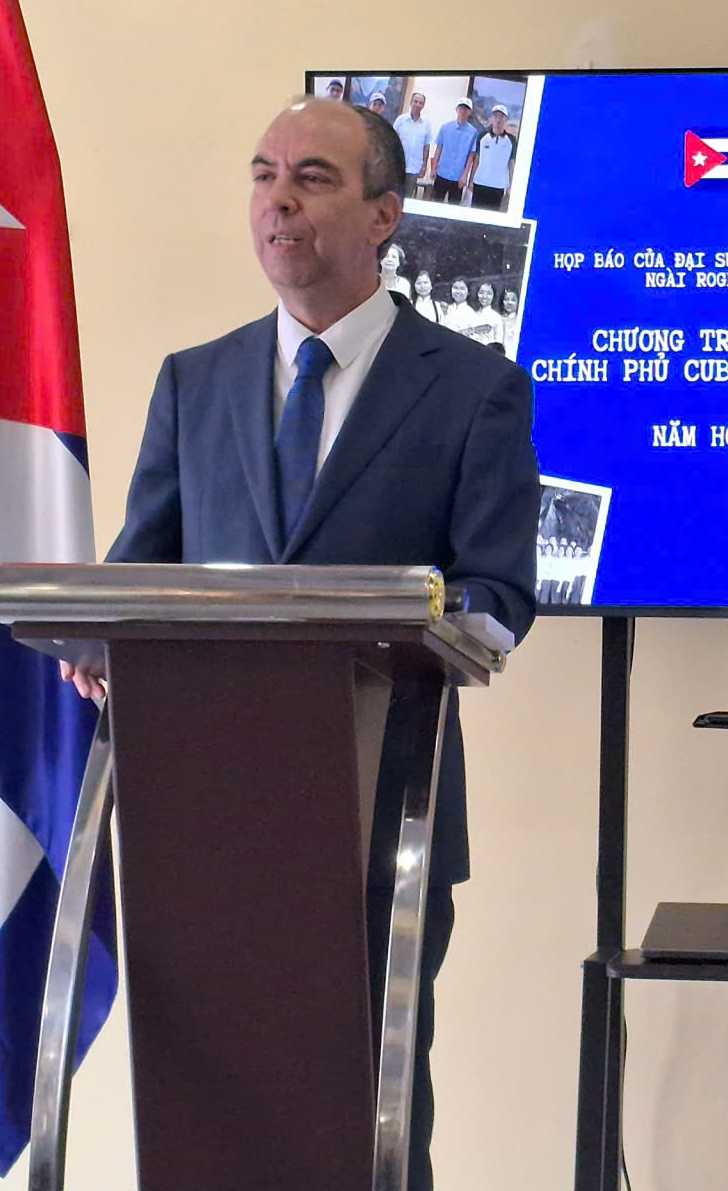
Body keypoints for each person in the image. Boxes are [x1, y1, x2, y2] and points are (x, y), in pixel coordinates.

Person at [89, 97, 539, 1191]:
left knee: (364, 1121)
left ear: (385, 213)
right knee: (213, 1127)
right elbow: (139, 573)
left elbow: (498, 594)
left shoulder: (473, 388)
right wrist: (98, 644)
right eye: (263, 175)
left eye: (312, 178)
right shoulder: (194, 381)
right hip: (204, 828)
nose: (278, 200)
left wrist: (407, 614)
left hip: (382, 814)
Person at [429, 98, 482, 203]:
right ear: (456, 109)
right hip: (441, 173)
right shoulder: (445, 127)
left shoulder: (473, 133)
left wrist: (465, 176)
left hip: (458, 177)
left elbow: (471, 157)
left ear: (470, 112)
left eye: (466, 109)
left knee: (453, 206)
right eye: (461, 108)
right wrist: (433, 169)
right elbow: (439, 149)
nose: (463, 111)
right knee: (435, 203)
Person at [471, 106, 518, 212]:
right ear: (491, 118)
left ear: (506, 119)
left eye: (501, 117)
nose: (498, 119)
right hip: (480, 183)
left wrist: (511, 185)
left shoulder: (511, 140)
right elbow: (476, 160)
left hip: (498, 186)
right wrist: (471, 181)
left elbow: (511, 164)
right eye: (495, 116)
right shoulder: (482, 137)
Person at [393, 92, 435, 194]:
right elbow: (392, 141)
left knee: (407, 197)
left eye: (420, 103)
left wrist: (424, 166)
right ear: (411, 102)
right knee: (395, 194)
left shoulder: (426, 124)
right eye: (415, 101)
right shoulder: (400, 120)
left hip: (415, 168)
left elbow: (426, 146)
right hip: (399, 166)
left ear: (423, 105)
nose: (418, 105)